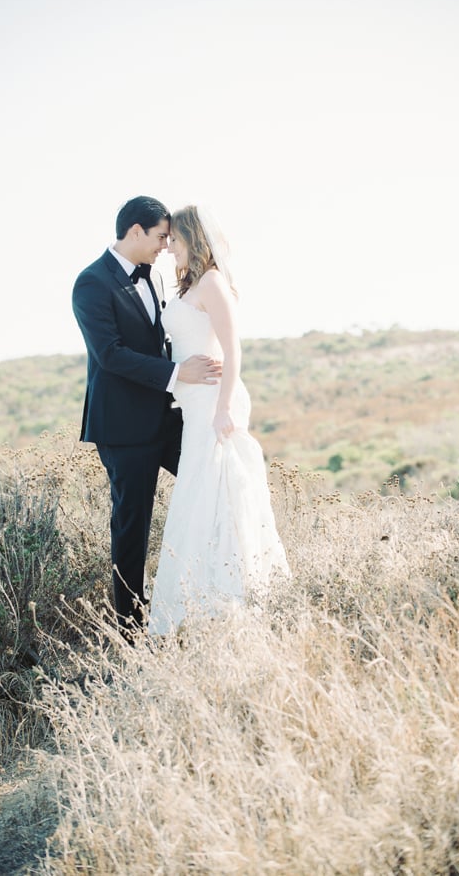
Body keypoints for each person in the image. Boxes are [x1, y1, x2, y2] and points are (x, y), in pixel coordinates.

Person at [72, 196, 222, 638]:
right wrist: (178, 373)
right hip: (122, 428)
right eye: (160, 237)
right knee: (131, 526)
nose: (164, 246)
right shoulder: (91, 283)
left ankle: (218, 592)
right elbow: (111, 355)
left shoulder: (154, 278)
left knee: (213, 485)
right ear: (135, 232)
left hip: (168, 418)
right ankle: (130, 630)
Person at [148, 204, 289, 636]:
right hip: (192, 406)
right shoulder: (190, 287)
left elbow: (233, 349)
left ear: (193, 238)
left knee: (219, 494)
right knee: (198, 495)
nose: (169, 248)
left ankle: (229, 596)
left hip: (213, 403)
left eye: (175, 240)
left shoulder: (212, 283)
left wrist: (225, 406)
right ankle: (198, 602)